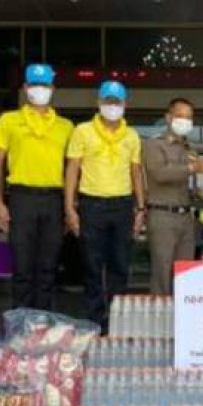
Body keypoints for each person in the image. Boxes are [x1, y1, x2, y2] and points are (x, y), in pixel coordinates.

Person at [0, 64, 74, 310]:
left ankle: (43, 323)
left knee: (48, 268)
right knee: (22, 267)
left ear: (53, 88)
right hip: (21, 197)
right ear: (25, 88)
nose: (40, 89)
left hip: (53, 199)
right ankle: (21, 325)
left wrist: (70, 207)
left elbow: (72, 169)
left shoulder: (65, 126)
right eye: (35, 85)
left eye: (44, 85)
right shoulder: (9, 120)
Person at [65, 80, 145, 334]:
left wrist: (141, 208)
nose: (112, 106)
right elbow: (72, 170)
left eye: (117, 102)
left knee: (120, 265)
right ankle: (95, 322)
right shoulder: (83, 131)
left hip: (122, 205)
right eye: (108, 101)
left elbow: (136, 172)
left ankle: (117, 322)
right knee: (91, 265)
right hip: (92, 204)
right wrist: (69, 208)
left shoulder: (132, 135)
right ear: (99, 103)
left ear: (125, 104)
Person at [143, 98, 203, 295]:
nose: (185, 121)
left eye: (189, 117)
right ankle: (160, 314)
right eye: (180, 116)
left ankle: (181, 314)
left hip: (186, 217)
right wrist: (192, 168)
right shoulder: (154, 144)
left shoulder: (189, 149)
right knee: (162, 273)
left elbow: (191, 185)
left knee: (185, 273)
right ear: (168, 117)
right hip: (162, 215)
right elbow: (159, 173)